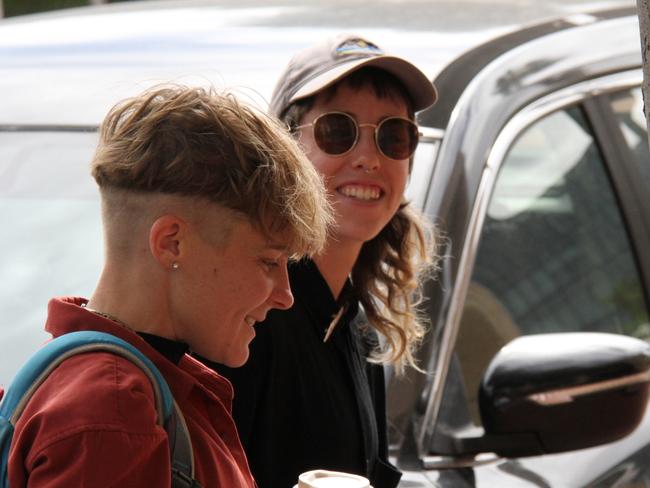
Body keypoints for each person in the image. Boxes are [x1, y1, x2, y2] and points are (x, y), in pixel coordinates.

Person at [5, 84, 330, 486]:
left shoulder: (118, 389)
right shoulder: (113, 411)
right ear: (171, 242)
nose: (285, 296)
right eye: (268, 261)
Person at [203, 35, 438, 488]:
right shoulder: (246, 316)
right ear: (285, 148)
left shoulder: (353, 320)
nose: (369, 158)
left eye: (394, 135)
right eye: (338, 131)